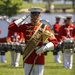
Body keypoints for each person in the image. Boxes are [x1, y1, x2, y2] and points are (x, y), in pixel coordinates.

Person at [8, 7, 58, 75]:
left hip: (39, 55)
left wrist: (45, 48)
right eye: (33, 15)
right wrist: (23, 18)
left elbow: (55, 42)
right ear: (30, 16)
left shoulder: (45, 27)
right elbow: (11, 28)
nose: (35, 17)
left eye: (37, 15)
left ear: (40, 16)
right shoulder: (25, 26)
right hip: (28, 55)